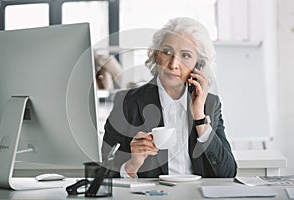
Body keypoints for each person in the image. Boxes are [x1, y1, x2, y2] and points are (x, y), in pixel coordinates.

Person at [101, 17, 237, 178]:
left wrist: (200, 119)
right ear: (155, 56)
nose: (173, 64)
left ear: (198, 66)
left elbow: (227, 173)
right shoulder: (127, 102)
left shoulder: (210, 104)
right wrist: (133, 164)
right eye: (166, 52)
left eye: (185, 55)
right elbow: (104, 171)